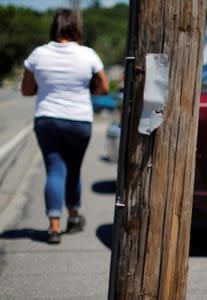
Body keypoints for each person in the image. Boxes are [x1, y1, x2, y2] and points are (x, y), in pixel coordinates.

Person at [21, 9, 109, 244]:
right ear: (75, 28)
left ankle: (53, 226)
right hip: (79, 120)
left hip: (47, 118)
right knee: (73, 168)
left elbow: (27, 90)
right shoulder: (88, 55)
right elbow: (104, 87)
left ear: (55, 27)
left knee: (54, 169)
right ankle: (73, 215)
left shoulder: (38, 54)